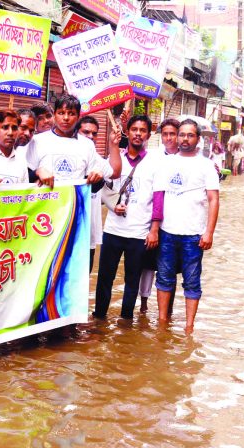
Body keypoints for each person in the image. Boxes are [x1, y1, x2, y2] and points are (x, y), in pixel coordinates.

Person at [153, 119, 220, 334]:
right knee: (163, 279)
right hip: (167, 232)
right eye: (181, 134)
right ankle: (162, 324)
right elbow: (159, 195)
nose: (184, 139)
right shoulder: (167, 163)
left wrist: (209, 232)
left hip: (193, 235)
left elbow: (213, 199)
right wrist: (154, 228)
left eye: (190, 135)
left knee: (192, 282)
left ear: (198, 139)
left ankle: (189, 328)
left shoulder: (206, 165)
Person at [94, 115, 159, 320]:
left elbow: (158, 198)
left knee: (132, 280)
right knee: (105, 277)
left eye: (142, 130)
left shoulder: (155, 163)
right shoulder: (114, 159)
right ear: (127, 132)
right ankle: (99, 317)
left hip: (139, 232)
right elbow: (102, 189)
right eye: (134, 129)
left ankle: (126, 321)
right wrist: (114, 206)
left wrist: (154, 230)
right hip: (113, 230)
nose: (138, 134)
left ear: (148, 134)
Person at [25, 94, 116, 188]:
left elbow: (91, 188)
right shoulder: (37, 141)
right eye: (61, 113)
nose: (66, 118)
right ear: (54, 115)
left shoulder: (87, 145)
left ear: (78, 117)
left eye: (71, 113)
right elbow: (23, 178)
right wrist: (37, 173)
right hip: (45, 201)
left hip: (76, 201)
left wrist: (98, 178)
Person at [140, 117, 180, 313]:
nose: (169, 138)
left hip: (175, 221)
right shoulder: (153, 157)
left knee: (170, 268)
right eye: (165, 134)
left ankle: (167, 310)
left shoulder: (187, 158)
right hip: (152, 219)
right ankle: (144, 305)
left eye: (173, 133)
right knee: (147, 265)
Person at [77, 115, 120, 270]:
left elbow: (115, 172)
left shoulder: (96, 159)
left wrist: (113, 145)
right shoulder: (68, 154)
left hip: (88, 233)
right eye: (86, 132)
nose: (90, 137)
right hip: (66, 230)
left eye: (94, 133)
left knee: (83, 280)